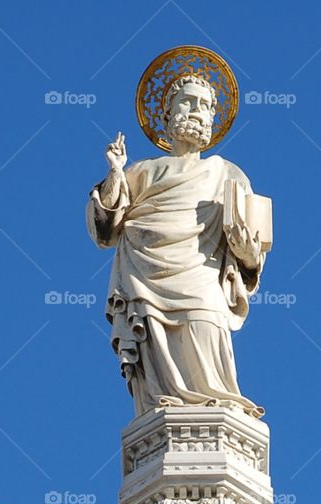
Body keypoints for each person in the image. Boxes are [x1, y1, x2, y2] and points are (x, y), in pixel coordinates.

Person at [87, 75, 266, 416]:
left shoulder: (228, 174)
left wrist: (248, 253)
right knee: (157, 379)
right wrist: (115, 172)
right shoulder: (141, 172)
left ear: (213, 117)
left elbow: (252, 248)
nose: (196, 111)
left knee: (206, 333)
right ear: (166, 114)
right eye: (187, 101)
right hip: (145, 280)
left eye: (204, 105)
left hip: (202, 275)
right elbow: (105, 229)